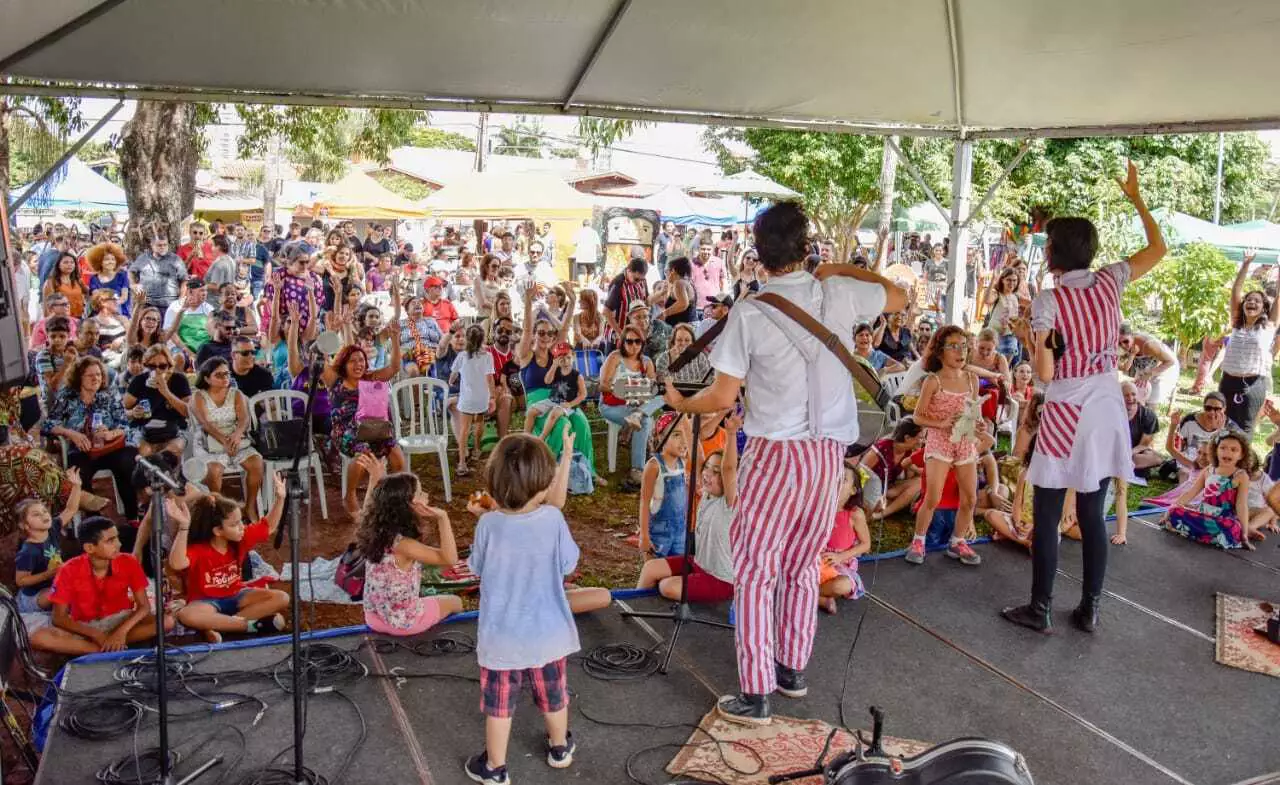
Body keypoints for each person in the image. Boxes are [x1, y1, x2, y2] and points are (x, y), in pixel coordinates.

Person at [662, 201, 904, 724]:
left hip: (774, 453)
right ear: (806, 244)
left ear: (758, 251)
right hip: (826, 457)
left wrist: (682, 404)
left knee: (754, 571)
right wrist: (840, 269)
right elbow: (901, 296)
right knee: (800, 562)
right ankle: (792, 668)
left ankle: (756, 692)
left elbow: (723, 398)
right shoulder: (837, 291)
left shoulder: (751, 311)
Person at [1002, 162, 1166, 635]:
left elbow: (1046, 371)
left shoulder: (1051, 302)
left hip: (1067, 406)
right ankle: (1090, 608)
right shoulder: (1112, 280)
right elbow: (1158, 248)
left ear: (1052, 253)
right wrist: (1136, 198)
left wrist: (1036, 343)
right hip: (1106, 404)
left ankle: (1041, 607)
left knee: (1050, 509)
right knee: (1093, 512)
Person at [463, 432, 583, 783]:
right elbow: (568, 565)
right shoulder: (553, 520)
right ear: (543, 484)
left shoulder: (487, 524)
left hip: (503, 638)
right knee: (555, 695)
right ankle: (560, 747)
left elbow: (477, 567)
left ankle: (495, 768)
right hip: (548, 634)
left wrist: (484, 520)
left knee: (499, 706)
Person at [635, 413, 741, 603]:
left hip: (720, 579)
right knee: (651, 569)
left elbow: (729, 468)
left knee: (667, 585)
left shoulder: (730, 503)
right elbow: (697, 453)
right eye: (707, 468)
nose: (708, 473)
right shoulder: (706, 492)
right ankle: (633, 609)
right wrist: (683, 409)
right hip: (698, 563)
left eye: (716, 472)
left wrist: (732, 434)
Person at [30, 516, 174, 656]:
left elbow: (144, 607)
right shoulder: (68, 569)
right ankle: (105, 648)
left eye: (117, 538)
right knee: (38, 637)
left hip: (120, 620)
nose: (119, 544)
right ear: (90, 548)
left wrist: (120, 632)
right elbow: (59, 618)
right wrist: (95, 634)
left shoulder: (129, 561)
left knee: (166, 622)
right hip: (83, 626)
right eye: (110, 541)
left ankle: (106, 646)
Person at [169, 481, 290, 643]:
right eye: (235, 524)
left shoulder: (240, 539)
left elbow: (268, 526)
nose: (242, 527)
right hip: (205, 602)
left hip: (237, 595)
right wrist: (184, 527)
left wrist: (280, 498)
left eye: (241, 521)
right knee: (187, 614)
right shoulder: (199, 550)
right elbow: (176, 563)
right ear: (218, 531)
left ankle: (218, 626)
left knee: (282, 598)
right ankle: (248, 626)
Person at [904, 326, 984, 567]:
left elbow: (973, 411)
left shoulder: (971, 379)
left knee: (970, 497)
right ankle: (918, 540)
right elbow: (917, 417)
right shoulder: (933, 381)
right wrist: (941, 423)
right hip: (939, 441)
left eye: (964, 345)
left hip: (964, 441)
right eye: (953, 346)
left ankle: (957, 541)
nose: (960, 350)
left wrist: (978, 424)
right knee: (933, 496)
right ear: (940, 352)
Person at [356, 463, 463, 635]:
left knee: (427, 599)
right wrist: (443, 518)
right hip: (404, 622)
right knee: (456, 602)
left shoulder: (372, 531)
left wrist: (374, 477)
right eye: (420, 493)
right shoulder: (403, 545)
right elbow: (450, 559)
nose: (426, 495)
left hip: (374, 617)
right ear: (408, 505)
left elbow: (369, 506)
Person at [41, 356, 140, 521]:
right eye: (90, 375)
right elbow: (48, 424)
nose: (96, 378)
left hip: (109, 447)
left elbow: (124, 424)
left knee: (127, 461)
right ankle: (93, 521)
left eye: (99, 375)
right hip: (82, 449)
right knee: (79, 473)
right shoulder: (67, 396)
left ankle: (132, 516)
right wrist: (72, 433)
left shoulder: (108, 394)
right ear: (79, 377)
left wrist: (111, 433)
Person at [516, 284, 598, 480]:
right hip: (537, 403)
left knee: (582, 423)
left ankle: (589, 472)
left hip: (559, 400)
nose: (546, 337)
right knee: (561, 424)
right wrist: (528, 302)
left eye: (550, 334)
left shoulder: (556, 354)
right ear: (535, 335)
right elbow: (527, 328)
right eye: (541, 333)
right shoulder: (527, 355)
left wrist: (572, 303)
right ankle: (544, 471)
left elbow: (565, 328)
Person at [323, 337, 406, 514]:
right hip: (345, 431)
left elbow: (395, 368)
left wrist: (395, 340)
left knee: (396, 453)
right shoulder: (336, 381)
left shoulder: (370, 378)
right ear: (343, 364)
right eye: (352, 361)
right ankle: (350, 496)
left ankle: (393, 495)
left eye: (361, 360)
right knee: (363, 451)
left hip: (373, 429)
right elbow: (321, 361)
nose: (358, 364)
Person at [191, 357, 265, 519]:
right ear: (206, 378)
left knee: (257, 464)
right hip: (210, 440)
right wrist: (224, 441)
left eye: (226, 374)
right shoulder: (199, 397)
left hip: (234, 438)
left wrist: (237, 436)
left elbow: (244, 419)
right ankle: (219, 510)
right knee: (214, 470)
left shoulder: (236, 394)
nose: (225, 378)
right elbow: (205, 424)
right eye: (219, 375)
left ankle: (249, 507)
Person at [1163, 432, 1255, 550]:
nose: (1227, 452)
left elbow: (1241, 505)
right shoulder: (1208, 470)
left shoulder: (1241, 476)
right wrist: (1171, 509)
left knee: (1232, 528)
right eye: (1223, 448)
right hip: (1202, 513)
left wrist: (1244, 535)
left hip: (1222, 518)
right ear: (1216, 450)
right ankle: (1208, 535)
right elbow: (1191, 493)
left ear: (1241, 455)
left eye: (1233, 450)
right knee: (1175, 511)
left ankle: (1195, 532)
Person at [1218, 250, 1277, 433]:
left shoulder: (1268, 327)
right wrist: (1245, 264)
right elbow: (1236, 290)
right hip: (1228, 381)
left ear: (1264, 308)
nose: (1251, 302)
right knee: (1222, 426)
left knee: (1244, 430)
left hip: (1253, 385)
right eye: (1248, 300)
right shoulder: (1237, 324)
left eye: (1257, 301)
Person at [14, 471, 81, 613]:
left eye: (44, 511)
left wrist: (76, 486)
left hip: (54, 583)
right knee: (62, 592)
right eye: (36, 514)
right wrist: (49, 574)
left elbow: (71, 509)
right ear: (25, 525)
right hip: (33, 597)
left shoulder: (52, 529)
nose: (44, 515)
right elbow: (21, 581)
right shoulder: (28, 551)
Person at [818, 464, 871, 614]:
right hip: (812, 561)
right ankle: (818, 598)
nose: (836, 482)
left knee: (842, 586)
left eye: (843, 480)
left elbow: (866, 544)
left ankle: (808, 595)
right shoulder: (816, 508)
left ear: (853, 490)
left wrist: (840, 556)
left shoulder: (855, 514)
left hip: (838, 564)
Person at [638, 413, 691, 557]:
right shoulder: (654, 466)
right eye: (676, 435)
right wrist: (644, 535)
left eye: (686, 434)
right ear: (661, 437)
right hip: (659, 534)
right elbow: (644, 501)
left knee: (675, 572)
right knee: (655, 572)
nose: (684, 440)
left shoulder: (683, 463)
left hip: (680, 533)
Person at [124, 345, 191, 457]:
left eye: (162, 366)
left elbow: (188, 412)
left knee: (171, 452)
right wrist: (133, 412)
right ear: (145, 365)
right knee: (144, 453)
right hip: (144, 431)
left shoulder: (179, 380)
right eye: (152, 367)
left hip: (175, 431)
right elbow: (122, 411)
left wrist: (166, 392)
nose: (157, 370)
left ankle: (170, 473)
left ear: (169, 366)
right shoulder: (139, 381)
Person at [449, 324, 496, 477]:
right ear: (483, 339)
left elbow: (454, 373)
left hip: (467, 399)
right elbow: (490, 378)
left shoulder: (462, 356)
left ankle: (462, 462)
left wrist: (451, 381)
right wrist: (493, 397)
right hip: (482, 398)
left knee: (464, 429)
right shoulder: (488, 356)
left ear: (467, 339)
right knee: (479, 422)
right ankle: (476, 449)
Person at [858, 417, 923, 519]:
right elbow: (860, 473)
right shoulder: (881, 448)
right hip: (871, 490)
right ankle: (886, 507)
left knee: (919, 482)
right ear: (907, 438)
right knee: (896, 500)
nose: (921, 441)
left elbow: (914, 474)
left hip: (888, 489)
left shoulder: (908, 452)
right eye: (919, 437)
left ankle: (880, 514)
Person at [1166, 393, 1235, 482]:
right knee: (1185, 474)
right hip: (1189, 463)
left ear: (1224, 409)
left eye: (1217, 409)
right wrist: (1191, 465)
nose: (1212, 412)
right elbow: (1174, 449)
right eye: (1208, 408)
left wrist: (1220, 431)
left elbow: (1228, 456)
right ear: (1203, 407)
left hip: (1215, 467)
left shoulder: (1230, 427)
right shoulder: (1190, 421)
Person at [1118, 323, 1179, 408]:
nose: (1123, 345)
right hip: (1147, 368)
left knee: (1151, 403)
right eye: (1119, 343)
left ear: (1132, 336)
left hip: (1165, 367)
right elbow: (1124, 367)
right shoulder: (1126, 345)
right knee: (1138, 400)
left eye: (1125, 341)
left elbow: (1170, 361)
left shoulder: (1148, 345)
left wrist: (1149, 374)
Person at [131, 234, 186, 311]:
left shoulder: (175, 259)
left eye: (165, 245)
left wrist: (180, 300)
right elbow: (131, 272)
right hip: (147, 303)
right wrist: (133, 284)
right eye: (159, 245)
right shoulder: (143, 258)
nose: (162, 247)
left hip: (169, 303)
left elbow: (184, 280)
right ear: (152, 245)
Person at [163, 278, 215, 360]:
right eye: (201, 290)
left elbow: (212, 333)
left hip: (204, 348)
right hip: (180, 349)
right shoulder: (175, 306)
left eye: (206, 290)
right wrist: (189, 353)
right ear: (190, 291)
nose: (205, 293)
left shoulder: (208, 308)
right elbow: (172, 334)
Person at [1123, 381, 1162, 477]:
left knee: (1156, 458)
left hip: (1135, 453)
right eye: (1126, 395)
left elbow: (1144, 445)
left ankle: (1120, 466)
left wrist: (1128, 454)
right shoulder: (1112, 412)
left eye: (1133, 394)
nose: (1130, 398)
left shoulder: (1148, 415)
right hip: (1114, 452)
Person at [603, 258, 649, 339]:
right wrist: (620, 333)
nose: (639, 282)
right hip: (618, 334)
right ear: (628, 271)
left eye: (642, 279)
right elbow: (606, 311)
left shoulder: (642, 280)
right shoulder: (618, 284)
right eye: (636, 279)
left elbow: (646, 301)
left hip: (635, 334)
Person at [985, 267, 1023, 360]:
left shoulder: (1015, 297)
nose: (1012, 283)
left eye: (1014, 280)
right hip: (994, 336)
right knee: (991, 365)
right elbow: (987, 300)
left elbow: (1031, 304)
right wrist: (993, 280)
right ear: (1002, 280)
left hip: (1010, 336)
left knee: (1005, 367)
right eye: (1008, 280)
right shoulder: (997, 294)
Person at [85, 242, 131, 316]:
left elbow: (124, 297)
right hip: (100, 313)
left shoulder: (122, 275)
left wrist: (114, 304)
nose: (111, 262)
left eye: (113, 259)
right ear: (100, 262)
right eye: (106, 259)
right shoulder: (94, 278)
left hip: (120, 314)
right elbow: (97, 297)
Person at [43, 251, 89, 318]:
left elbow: (89, 292)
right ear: (58, 265)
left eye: (72, 262)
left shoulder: (78, 280)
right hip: (60, 320)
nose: (69, 265)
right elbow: (47, 306)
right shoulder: (51, 282)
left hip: (78, 318)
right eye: (65, 262)